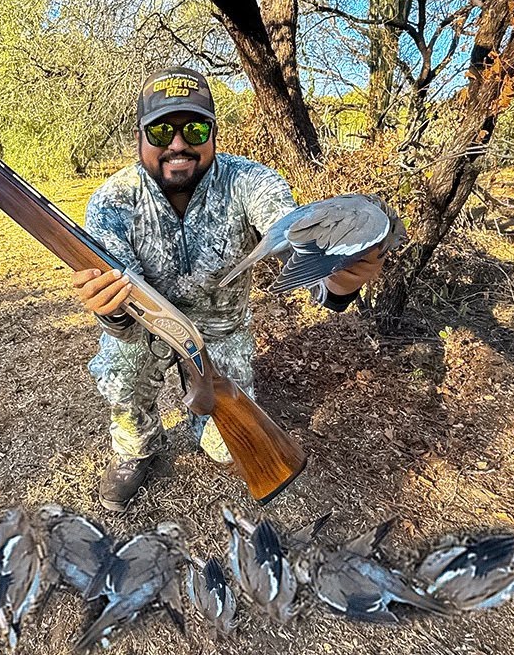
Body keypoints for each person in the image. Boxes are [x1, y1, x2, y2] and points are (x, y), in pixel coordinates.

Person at [70, 67, 386, 511]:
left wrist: (337, 281)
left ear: (214, 134)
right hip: (145, 330)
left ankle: (213, 417)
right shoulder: (111, 200)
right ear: (139, 136)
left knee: (224, 446)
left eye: (195, 128)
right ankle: (136, 449)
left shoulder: (251, 182)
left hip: (222, 331)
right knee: (121, 371)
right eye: (161, 130)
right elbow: (121, 315)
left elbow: (291, 235)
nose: (177, 143)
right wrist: (112, 311)